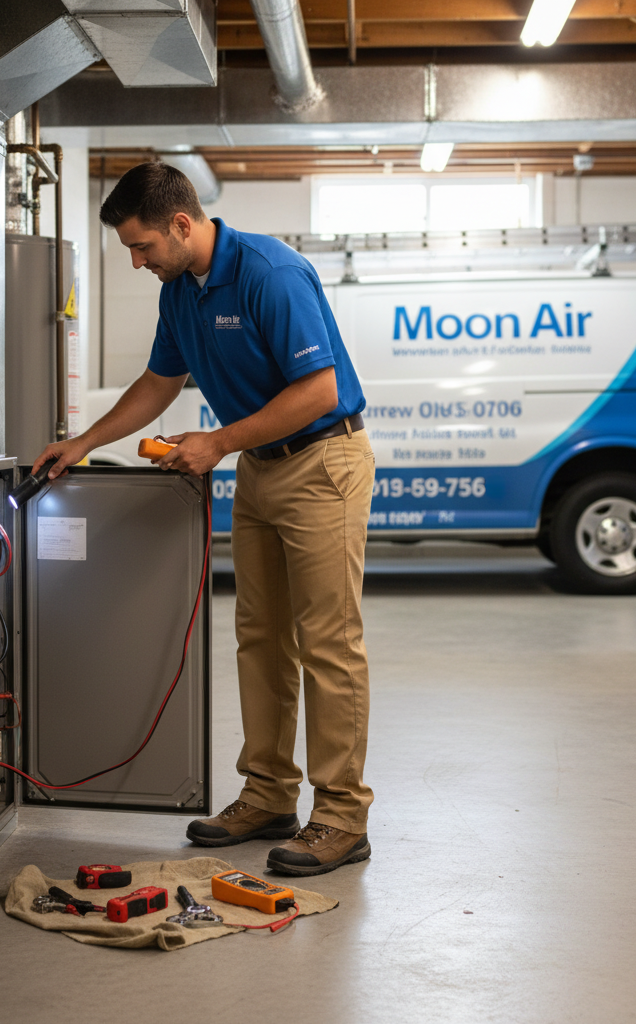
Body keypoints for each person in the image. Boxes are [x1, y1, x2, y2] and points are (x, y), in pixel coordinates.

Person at [32, 162, 375, 876]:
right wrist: (84, 442)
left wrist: (216, 442)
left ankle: (341, 816)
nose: (136, 261)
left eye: (142, 246)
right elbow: (160, 381)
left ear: (181, 225)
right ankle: (270, 794)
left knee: (328, 644)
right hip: (259, 468)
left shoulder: (270, 273)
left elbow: (319, 391)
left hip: (322, 463)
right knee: (260, 639)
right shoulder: (181, 292)